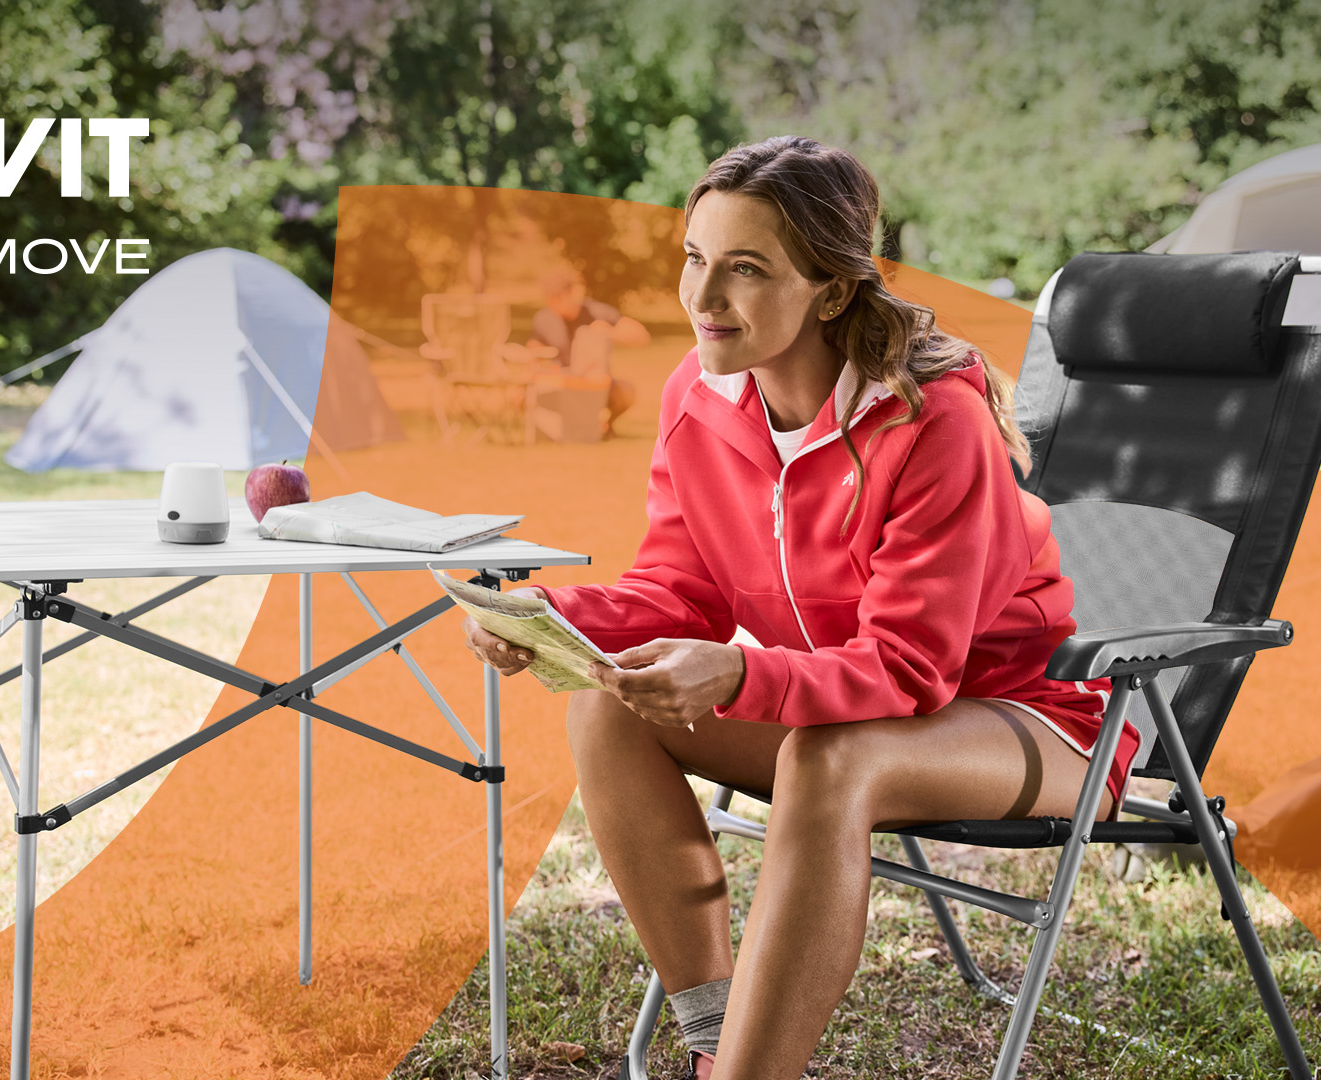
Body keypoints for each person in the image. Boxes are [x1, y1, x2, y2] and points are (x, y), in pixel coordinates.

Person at [461, 136, 1123, 1080]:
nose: (702, 298)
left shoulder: (935, 421)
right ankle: (711, 1047)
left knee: (831, 753)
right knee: (607, 705)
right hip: (845, 718)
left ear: (833, 290)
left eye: (745, 268)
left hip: (1029, 724)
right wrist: (552, 614)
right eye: (694, 258)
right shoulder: (699, 394)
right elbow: (679, 588)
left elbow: (909, 670)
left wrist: (735, 669)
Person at [525, 265, 649, 430]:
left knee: (626, 393)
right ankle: (555, 427)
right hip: (563, 383)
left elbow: (641, 336)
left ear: (571, 293)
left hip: (594, 382)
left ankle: (605, 426)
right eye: (551, 300)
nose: (556, 305)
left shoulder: (595, 312)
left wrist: (609, 332)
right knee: (518, 395)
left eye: (560, 298)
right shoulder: (544, 319)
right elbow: (534, 349)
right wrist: (533, 363)